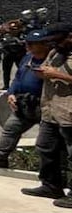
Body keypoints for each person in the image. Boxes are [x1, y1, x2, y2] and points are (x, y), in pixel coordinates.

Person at [0, 29, 50, 169]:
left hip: (45, 105)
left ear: (45, 44)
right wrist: (11, 93)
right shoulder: (27, 58)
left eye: (33, 44)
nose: (29, 46)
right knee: (10, 129)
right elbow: (18, 78)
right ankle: (0, 157)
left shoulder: (52, 60)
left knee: (48, 140)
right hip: (25, 104)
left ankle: (56, 170)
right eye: (28, 43)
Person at [20, 24, 72, 202]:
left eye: (58, 41)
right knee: (45, 147)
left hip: (69, 111)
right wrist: (41, 73)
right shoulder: (54, 53)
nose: (54, 45)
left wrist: (59, 74)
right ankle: (50, 186)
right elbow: (46, 69)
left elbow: (57, 74)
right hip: (50, 109)